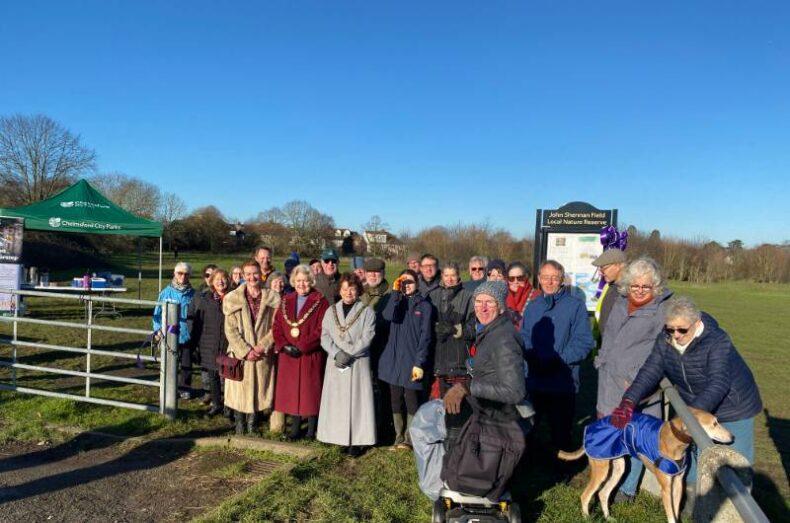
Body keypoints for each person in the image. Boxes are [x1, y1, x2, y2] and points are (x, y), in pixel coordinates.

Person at [612, 296, 762, 490]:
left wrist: (691, 415)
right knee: (695, 455)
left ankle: (740, 512)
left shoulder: (717, 340)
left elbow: (718, 383)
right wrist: (629, 401)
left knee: (737, 464)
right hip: (694, 407)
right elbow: (650, 371)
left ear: (696, 323)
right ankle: (692, 502)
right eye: (670, 329)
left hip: (733, 407)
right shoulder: (665, 339)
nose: (676, 335)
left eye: (682, 329)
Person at [594, 257, 672, 501]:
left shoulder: (662, 310)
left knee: (636, 436)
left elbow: (664, 351)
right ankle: (608, 479)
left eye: (645, 287)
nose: (639, 291)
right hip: (609, 378)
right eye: (635, 285)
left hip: (636, 384)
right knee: (611, 431)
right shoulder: (621, 300)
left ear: (655, 287)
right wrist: (601, 359)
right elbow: (609, 335)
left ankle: (626, 490)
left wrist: (640, 379)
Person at [521, 260, 594, 458]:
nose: (550, 282)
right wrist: (533, 357)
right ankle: (528, 462)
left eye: (554, 278)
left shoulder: (575, 306)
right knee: (528, 427)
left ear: (562, 279)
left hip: (563, 381)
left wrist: (558, 360)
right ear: (539, 279)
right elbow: (525, 336)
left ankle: (562, 470)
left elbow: (583, 342)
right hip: (534, 379)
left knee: (561, 431)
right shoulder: (533, 307)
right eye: (545, 277)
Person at [443, 280, 527, 447]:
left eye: (489, 302)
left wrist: (468, 388)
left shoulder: (504, 339)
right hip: (486, 410)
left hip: (496, 419)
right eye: (478, 301)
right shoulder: (490, 329)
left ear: (501, 307)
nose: (482, 308)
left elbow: (515, 392)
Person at [317, 273, 377, 456]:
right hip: (336, 362)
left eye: (352, 289)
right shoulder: (331, 311)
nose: (348, 293)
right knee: (337, 401)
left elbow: (368, 337)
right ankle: (337, 436)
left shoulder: (367, 312)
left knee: (358, 402)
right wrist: (336, 353)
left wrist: (349, 353)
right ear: (339, 290)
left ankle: (357, 441)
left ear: (358, 290)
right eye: (344, 289)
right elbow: (325, 336)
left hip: (357, 362)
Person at [272, 264, 330, 440]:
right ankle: (295, 429)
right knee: (292, 392)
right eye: (298, 281)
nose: (302, 284)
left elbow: (322, 329)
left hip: (310, 353)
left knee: (310, 392)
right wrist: (284, 345)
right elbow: (277, 326)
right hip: (288, 354)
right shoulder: (286, 300)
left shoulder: (321, 301)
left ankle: (311, 430)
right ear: (293, 282)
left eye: (305, 280)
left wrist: (303, 346)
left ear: (311, 281)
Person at [223, 260, 280, 435]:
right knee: (240, 389)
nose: (252, 277)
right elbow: (230, 329)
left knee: (259, 389)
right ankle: (239, 423)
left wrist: (262, 346)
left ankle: (252, 423)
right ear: (243, 275)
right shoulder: (232, 299)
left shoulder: (273, 298)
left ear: (260, 274)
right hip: (240, 355)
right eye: (248, 274)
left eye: (255, 273)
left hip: (262, 353)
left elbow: (276, 326)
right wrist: (246, 351)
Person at [378, 269, 433, 449]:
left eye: (410, 282)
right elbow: (386, 317)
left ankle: (410, 438)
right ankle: (398, 435)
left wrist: (419, 362)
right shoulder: (396, 301)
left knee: (411, 399)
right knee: (395, 398)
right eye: (403, 282)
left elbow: (426, 336)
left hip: (412, 360)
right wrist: (395, 293)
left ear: (417, 283)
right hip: (393, 359)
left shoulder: (424, 306)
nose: (406, 285)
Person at [188, 269, 230, 417]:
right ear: (211, 281)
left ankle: (228, 406)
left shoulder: (233, 298)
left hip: (227, 343)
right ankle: (216, 404)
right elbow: (198, 323)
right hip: (208, 343)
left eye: (223, 278)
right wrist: (194, 344)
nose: (220, 281)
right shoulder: (205, 299)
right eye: (217, 279)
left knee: (227, 377)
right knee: (212, 376)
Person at [360, 257, 393, 442]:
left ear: (383, 274)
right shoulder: (360, 293)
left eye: (377, 272)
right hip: (364, 350)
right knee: (366, 389)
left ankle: (384, 429)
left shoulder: (390, 293)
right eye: (370, 272)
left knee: (383, 390)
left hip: (384, 348)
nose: (373, 275)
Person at [153, 262, 196, 400]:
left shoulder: (194, 294)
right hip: (170, 335)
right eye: (180, 273)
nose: (183, 276)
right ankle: (168, 387)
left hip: (187, 335)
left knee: (186, 364)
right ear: (174, 273)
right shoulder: (165, 293)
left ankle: (185, 388)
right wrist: (157, 330)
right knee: (170, 362)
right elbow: (157, 314)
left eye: (186, 274)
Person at [433, 262, 474, 397]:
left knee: (459, 403)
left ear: (458, 276)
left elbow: (474, 327)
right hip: (438, 361)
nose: (450, 279)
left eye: (453, 275)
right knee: (440, 404)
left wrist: (454, 329)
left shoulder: (468, 297)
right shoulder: (433, 296)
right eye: (446, 275)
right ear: (442, 276)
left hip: (459, 362)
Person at [591, 249, 627, 339]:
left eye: (603, 268)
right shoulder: (609, 286)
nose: (600, 272)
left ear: (618, 265)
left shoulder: (632, 290)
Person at [505, 261, 540, 329]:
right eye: (511, 278)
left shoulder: (537, 296)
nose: (515, 281)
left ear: (526, 277)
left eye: (520, 278)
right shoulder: (503, 296)